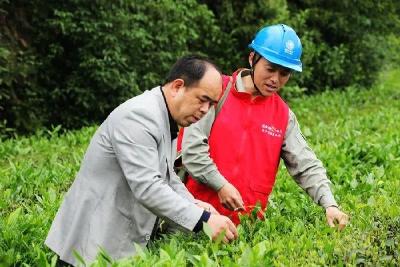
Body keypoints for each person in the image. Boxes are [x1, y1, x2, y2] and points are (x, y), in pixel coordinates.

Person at [45, 55, 238, 266]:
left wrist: (194, 205)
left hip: (114, 246)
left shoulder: (166, 117)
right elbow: (148, 186)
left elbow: (167, 176)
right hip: (88, 247)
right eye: (202, 99)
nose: (205, 110)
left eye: (211, 104)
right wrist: (204, 221)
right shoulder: (140, 116)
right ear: (177, 86)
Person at [180, 24, 349, 228]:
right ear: (252, 59)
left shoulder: (283, 115)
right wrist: (220, 185)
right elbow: (192, 151)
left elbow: (305, 163)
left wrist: (329, 204)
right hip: (195, 220)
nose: (275, 80)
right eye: (270, 69)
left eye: (284, 73)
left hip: (246, 231)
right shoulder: (216, 92)